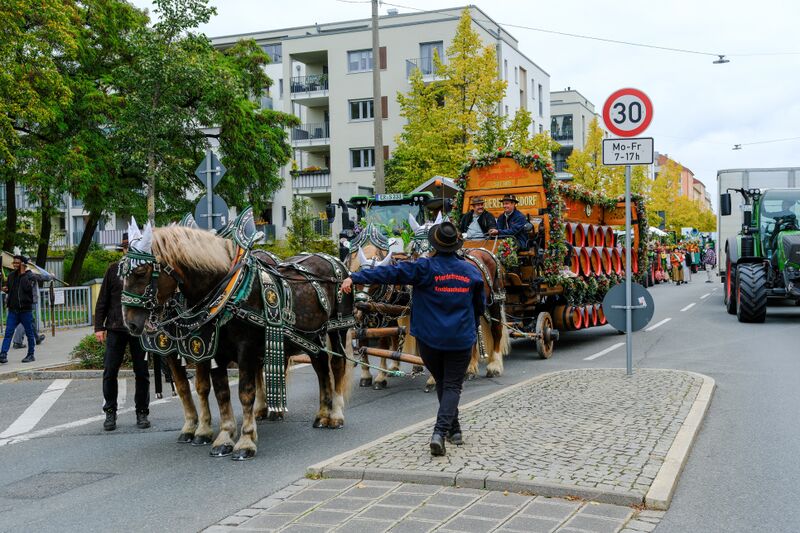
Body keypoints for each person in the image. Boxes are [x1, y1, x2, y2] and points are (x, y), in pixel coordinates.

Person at [341, 221, 485, 456]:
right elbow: (480, 306)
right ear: (456, 245)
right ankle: (443, 431)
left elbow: (390, 272)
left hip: (429, 341)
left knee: (443, 383)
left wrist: (356, 277)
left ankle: (451, 430)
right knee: (451, 386)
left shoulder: (423, 267)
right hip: (460, 338)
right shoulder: (471, 271)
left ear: (434, 244)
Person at [95, 233, 150, 431]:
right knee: (110, 371)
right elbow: (102, 300)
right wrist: (99, 327)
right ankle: (110, 412)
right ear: (123, 250)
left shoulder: (144, 270)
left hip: (138, 328)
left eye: (131, 247)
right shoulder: (113, 270)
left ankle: (142, 412)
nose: (128, 251)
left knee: (142, 372)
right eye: (126, 248)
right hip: (116, 327)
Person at [0, 255, 51, 364]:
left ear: (23, 264)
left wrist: (23, 274)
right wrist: (6, 289)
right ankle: (3, 355)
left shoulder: (30, 276)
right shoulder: (11, 276)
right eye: (14, 262)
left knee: (29, 333)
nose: (15, 264)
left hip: (25, 311)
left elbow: (26, 288)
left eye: (17, 263)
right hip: (13, 310)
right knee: (8, 333)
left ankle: (31, 354)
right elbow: (11, 290)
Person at [12, 285, 46, 349]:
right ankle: (17, 342)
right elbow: (42, 276)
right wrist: (50, 276)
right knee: (24, 320)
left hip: (20, 299)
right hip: (27, 300)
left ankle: (37, 338)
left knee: (31, 320)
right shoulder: (29, 275)